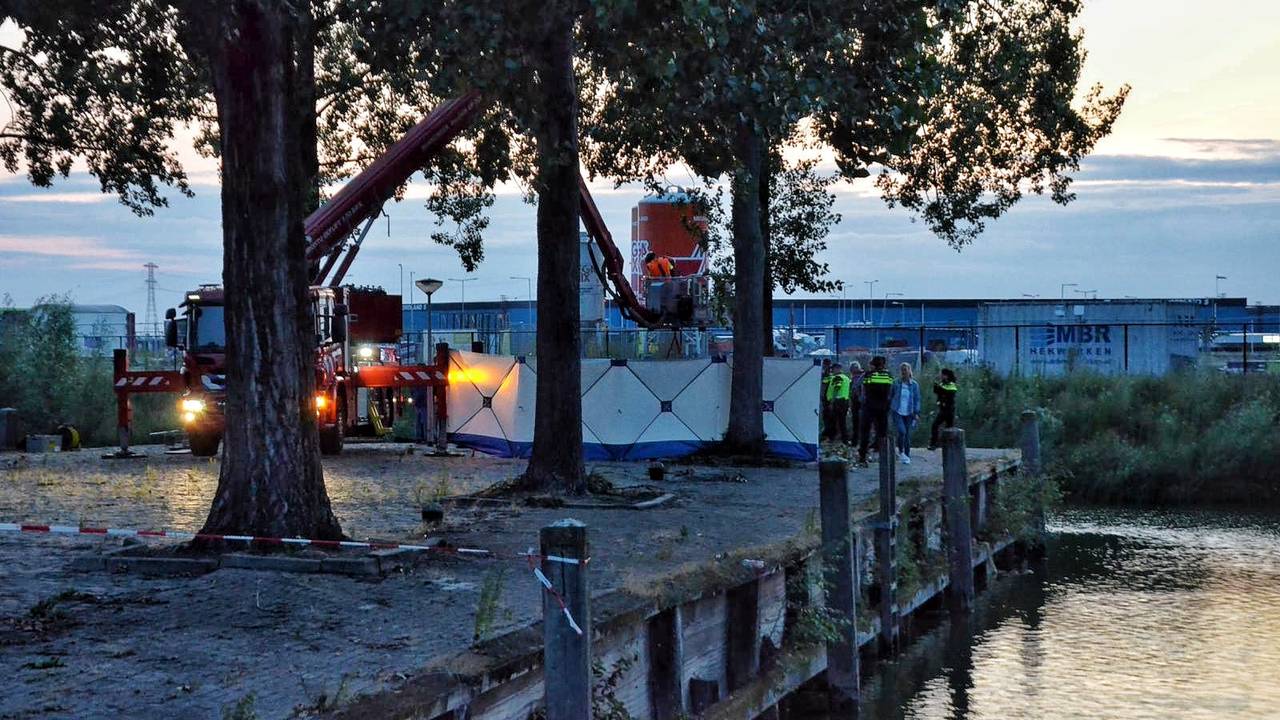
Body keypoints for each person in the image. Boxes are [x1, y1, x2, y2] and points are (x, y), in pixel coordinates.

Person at [857, 356, 894, 466]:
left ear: (873, 364)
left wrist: (861, 400)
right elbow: (890, 391)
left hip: (869, 406)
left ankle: (863, 457)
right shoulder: (889, 375)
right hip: (883, 407)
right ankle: (884, 456)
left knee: (865, 432)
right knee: (882, 432)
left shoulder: (869, 374)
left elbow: (861, 387)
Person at [889, 362, 921, 464]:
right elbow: (890, 395)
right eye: (902, 370)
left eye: (905, 370)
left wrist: (916, 412)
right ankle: (901, 451)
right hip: (897, 411)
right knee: (902, 431)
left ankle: (906, 454)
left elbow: (917, 399)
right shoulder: (896, 383)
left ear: (909, 371)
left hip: (909, 412)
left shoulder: (914, 385)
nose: (903, 372)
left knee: (907, 434)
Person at [928, 368, 958, 451]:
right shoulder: (942, 384)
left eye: (942, 374)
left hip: (949, 410)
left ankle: (949, 446)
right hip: (942, 409)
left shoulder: (952, 384)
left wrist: (939, 388)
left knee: (948, 428)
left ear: (946, 376)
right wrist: (935, 384)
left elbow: (948, 392)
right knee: (936, 425)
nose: (941, 376)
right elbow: (937, 391)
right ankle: (934, 443)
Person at [824, 363, 852, 445]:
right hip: (844, 402)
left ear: (837, 369)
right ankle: (845, 440)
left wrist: (832, 402)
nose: (832, 370)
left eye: (833, 369)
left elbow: (836, 388)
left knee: (832, 421)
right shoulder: (846, 378)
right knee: (842, 422)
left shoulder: (837, 377)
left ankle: (831, 438)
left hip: (837, 402)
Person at [847, 360, 864, 448]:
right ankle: (857, 441)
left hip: (858, 402)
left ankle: (856, 441)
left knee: (857, 423)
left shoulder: (857, 378)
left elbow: (854, 390)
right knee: (858, 423)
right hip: (859, 402)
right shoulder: (860, 376)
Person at [819, 358, 834, 440]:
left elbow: (824, 385)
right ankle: (828, 432)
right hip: (829, 397)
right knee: (828, 415)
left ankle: (828, 433)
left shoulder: (826, 373)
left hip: (827, 397)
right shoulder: (831, 372)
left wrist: (822, 395)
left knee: (827, 415)